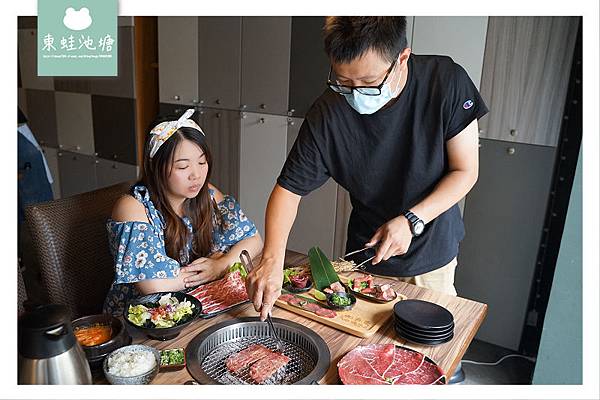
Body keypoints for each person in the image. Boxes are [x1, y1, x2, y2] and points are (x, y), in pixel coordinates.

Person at [246, 17, 488, 320]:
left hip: (432, 252)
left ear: (402, 59)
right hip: (367, 251)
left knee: (428, 347)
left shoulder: (446, 81)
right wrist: (271, 257)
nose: (356, 94)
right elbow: (289, 190)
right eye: (344, 82)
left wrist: (412, 219)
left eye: (370, 83)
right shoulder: (329, 113)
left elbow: (465, 171)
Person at [103, 109, 263, 316]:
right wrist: (207, 270)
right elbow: (152, 286)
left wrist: (220, 264)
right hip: (141, 318)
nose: (196, 175)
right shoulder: (133, 207)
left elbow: (253, 240)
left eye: (202, 162)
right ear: (156, 166)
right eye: (182, 166)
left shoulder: (209, 195)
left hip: (191, 305)